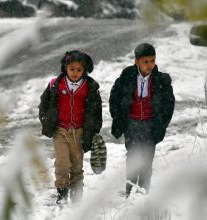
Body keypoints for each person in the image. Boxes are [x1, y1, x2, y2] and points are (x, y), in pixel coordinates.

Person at [109, 43, 175, 197]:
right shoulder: (127, 76)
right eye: (145, 62)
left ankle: (143, 194)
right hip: (132, 124)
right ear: (136, 62)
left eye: (152, 61)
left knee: (146, 160)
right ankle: (129, 191)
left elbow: (169, 104)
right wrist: (118, 118)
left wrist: (161, 124)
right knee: (132, 157)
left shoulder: (161, 80)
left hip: (150, 125)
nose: (149, 65)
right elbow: (114, 97)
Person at [38, 50, 102, 205]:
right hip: (60, 131)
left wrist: (94, 130)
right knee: (62, 164)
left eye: (79, 70)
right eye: (72, 69)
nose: (75, 73)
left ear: (85, 70)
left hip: (79, 132)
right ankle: (62, 192)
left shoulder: (90, 87)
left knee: (76, 165)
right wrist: (46, 120)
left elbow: (96, 111)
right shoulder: (55, 85)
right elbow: (43, 105)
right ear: (65, 68)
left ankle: (77, 194)